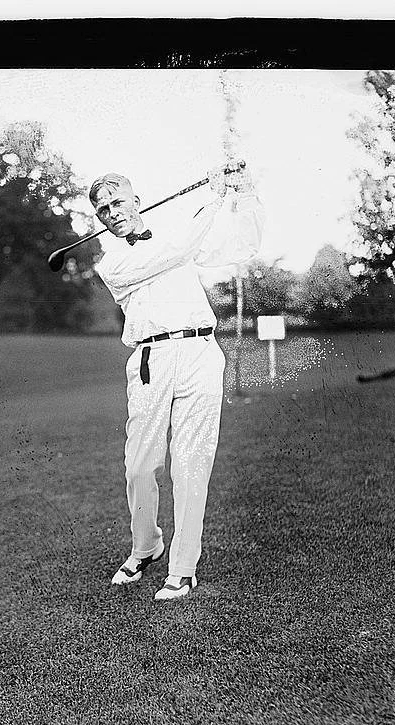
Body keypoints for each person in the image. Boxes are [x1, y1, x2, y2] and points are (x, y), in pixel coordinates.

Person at [90, 160, 264, 600]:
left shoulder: (174, 237)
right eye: (104, 209)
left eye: (119, 201)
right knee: (140, 465)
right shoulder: (113, 263)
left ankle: (183, 567)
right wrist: (212, 196)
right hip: (151, 359)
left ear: (137, 201)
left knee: (191, 463)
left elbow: (241, 245)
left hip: (200, 354)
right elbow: (177, 250)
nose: (113, 212)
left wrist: (241, 194)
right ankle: (146, 545)